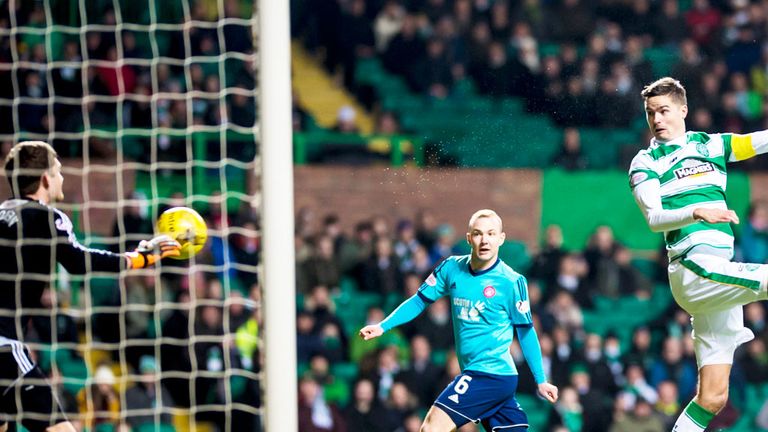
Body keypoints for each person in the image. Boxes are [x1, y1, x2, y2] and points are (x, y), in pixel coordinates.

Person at [0, 141, 180, 431]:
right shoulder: (49, 218)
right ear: (45, 178)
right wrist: (138, 259)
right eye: (58, 171)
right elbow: (80, 261)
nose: (62, 178)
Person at [628, 77, 768, 432]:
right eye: (650, 113)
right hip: (694, 269)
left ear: (683, 110)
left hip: (718, 274)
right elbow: (655, 219)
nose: (657, 119)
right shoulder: (645, 161)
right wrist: (696, 212)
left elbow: (759, 141)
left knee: (713, 398)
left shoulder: (711, 145)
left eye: (663, 110)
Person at [359, 209, 558, 431]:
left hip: (490, 374)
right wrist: (383, 326)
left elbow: (526, 332)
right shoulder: (451, 267)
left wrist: (540, 379)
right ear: (468, 238)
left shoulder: (511, 282)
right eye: (478, 234)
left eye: (491, 234)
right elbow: (418, 301)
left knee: (431, 428)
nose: (485, 240)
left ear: (501, 239)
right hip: (485, 376)